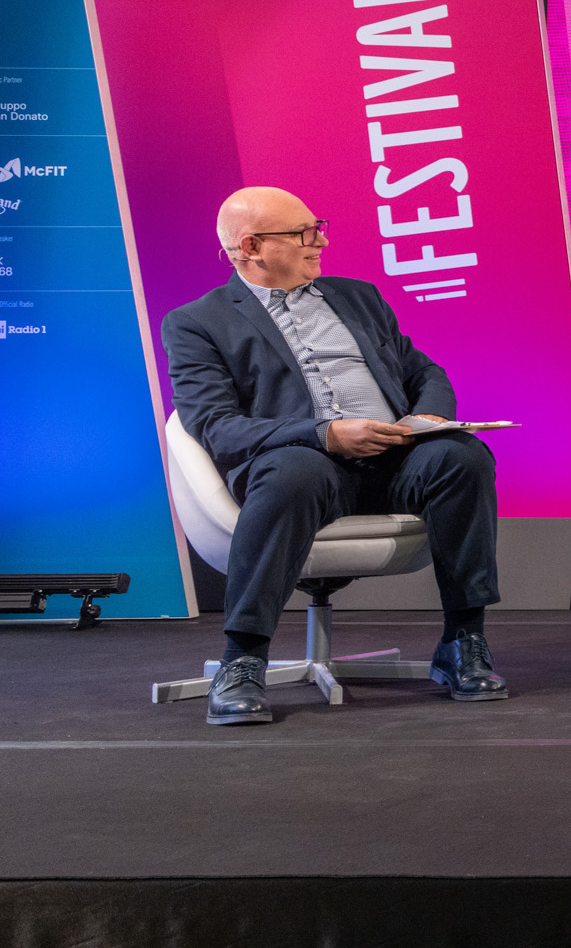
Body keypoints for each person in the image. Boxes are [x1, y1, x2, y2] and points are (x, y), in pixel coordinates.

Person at [163, 187, 506, 724]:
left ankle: (464, 640)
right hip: (303, 461)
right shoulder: (198, 323)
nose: (320, 240)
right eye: (303, 232)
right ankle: (243, 660)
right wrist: (324, 434)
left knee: (462, 457)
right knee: (294, 472)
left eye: (318, 226)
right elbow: (214, 427)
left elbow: (425, 373)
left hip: (394, 459)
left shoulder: (358, 297)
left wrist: (431, 420)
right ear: (251, 246)